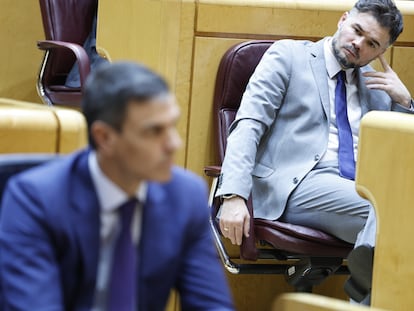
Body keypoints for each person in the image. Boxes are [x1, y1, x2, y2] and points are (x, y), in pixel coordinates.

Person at [215, 0, 413, 304]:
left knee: (396, 223)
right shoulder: (289, 56)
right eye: (356, 30)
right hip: (295, 186)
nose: (358, 44)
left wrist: (405, 103)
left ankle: (367, 290)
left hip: (357, 190)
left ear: (381, 52)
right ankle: (365, 286)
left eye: (371, 43)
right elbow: (249, 124)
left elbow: (401, 157)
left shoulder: (379, 87)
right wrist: (233, 194)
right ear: (343, 19)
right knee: (391, 214)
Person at [0, 62, 234, 311]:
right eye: (155, 131)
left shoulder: (185, 196)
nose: (174, 143)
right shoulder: (35, 199)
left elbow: (211, 305)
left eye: (172, 126)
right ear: (104, 138)